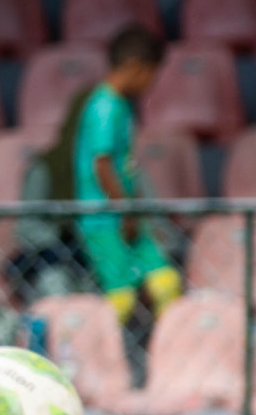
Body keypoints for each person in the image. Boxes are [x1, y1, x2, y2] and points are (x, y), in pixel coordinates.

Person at [72, 25, 183, 324]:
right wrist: (126, 211)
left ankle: (166, 348)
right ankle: (112, 359)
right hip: (105, 219)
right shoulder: (104, 107)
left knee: (165, 282)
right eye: (150, 74)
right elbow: (102, 164)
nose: (151, 83)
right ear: (134, 68)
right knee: (120, 299)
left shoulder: (118, 105)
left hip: (126, 214)